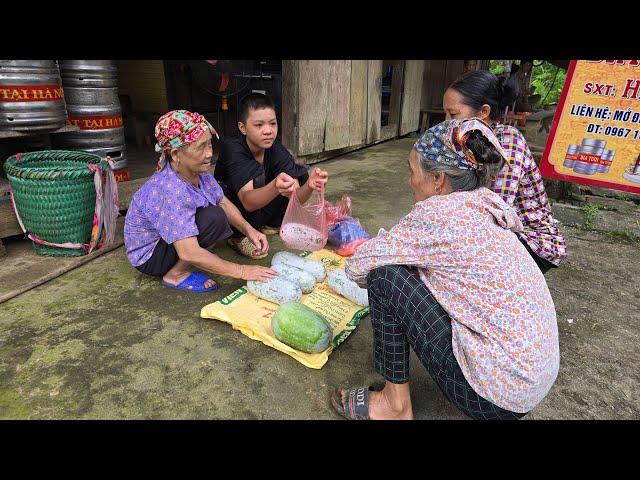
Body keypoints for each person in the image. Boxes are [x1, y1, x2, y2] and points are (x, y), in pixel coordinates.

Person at [331, 119, 560, 420]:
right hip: (530, 383)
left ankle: (393, 407)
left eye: (412, 171)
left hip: (495, 397)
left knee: (385, 277)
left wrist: (395, 249)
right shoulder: (488, 203)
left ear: (438, 179)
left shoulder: (437, 215)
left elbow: (359, 267)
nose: (409, 181)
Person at [124, 110, 276, 292]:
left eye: (210, 145)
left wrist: (250, 231)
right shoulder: (170, 188)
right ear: (175, 154)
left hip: (169, 242)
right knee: (211, 220)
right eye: (201, 147)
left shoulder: (198, 172)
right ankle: (175, 275)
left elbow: (222, 202)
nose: (209, 154)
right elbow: (187, 252)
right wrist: (242, 271)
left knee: (216, 213)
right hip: (150, 256)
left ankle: (195, 259)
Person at [443, 69, 567, 273]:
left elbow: (497, 211)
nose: (447, 121)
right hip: (502, 231)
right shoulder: (468, 141)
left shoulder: (507, 142)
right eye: (445, 113)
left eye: (453, 114)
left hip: (532, 241)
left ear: (483, 112)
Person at [214, 93, 328, 258]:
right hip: (236, 207)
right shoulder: (233, 149)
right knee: (263, 182)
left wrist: (309, 185)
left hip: (258, 204)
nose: (268, 131)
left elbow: (295, 199)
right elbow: (247, 202)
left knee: (296, 175)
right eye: (259, 125)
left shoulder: (276, 150)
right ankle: (237, 237)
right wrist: (274, 186)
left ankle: (269, 223)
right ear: (242, 127)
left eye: (272, 124)